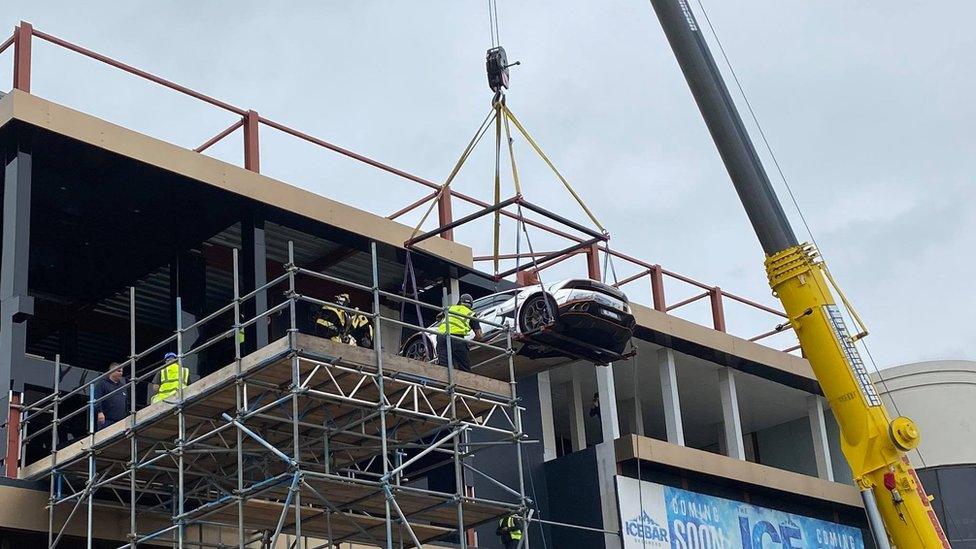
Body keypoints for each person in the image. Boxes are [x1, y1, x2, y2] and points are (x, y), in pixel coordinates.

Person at [435, 294, 483, 372]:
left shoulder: (451, 308)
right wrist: (470, 343)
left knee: (444, 365)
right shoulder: (471, 314)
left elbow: (438, 317)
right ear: (471, 305)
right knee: (464, 367)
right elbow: (479, 335)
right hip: (457, 339)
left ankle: (444, 381)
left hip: (442, 337)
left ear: (459, 302)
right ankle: (464, 382)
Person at [94, 362, 128, 431]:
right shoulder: (102, 384)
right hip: (107, 420)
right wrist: (100, 412)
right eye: (118, 371)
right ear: (111, 371)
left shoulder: (123, 387)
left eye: (122, 371)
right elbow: (97, 399)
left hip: (121, 421)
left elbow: (126, 402)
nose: (121, 373)